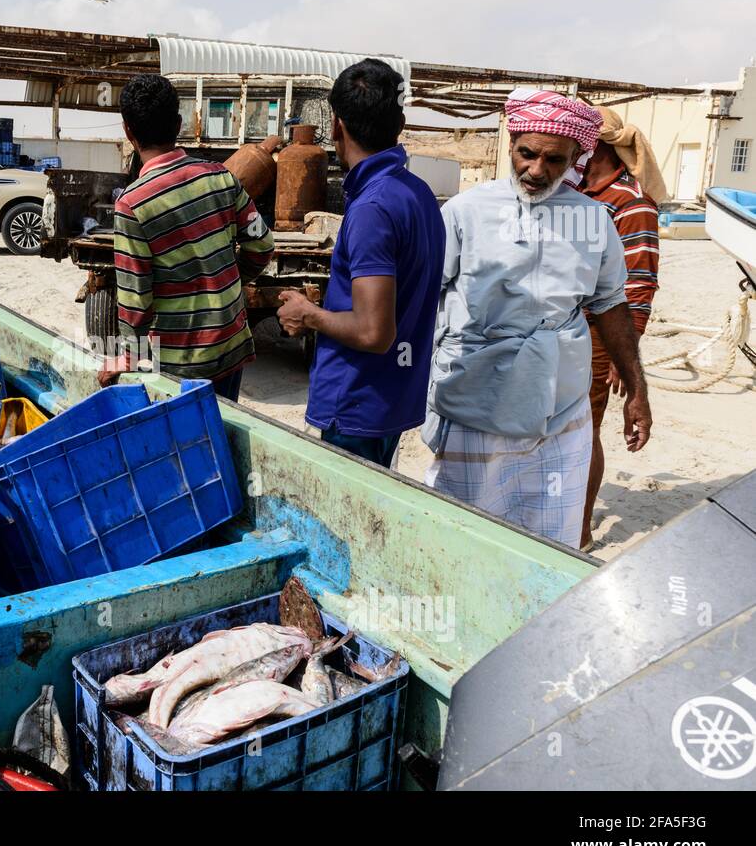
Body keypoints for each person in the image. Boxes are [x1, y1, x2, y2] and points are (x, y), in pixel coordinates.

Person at [423, 88, 652, 548]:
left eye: (554, 161)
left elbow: (611, 303)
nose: (537, 170)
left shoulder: (593, 219)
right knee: (460, 535)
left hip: (559, 405)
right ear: (511, 145)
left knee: (549, 537)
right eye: (527, 154)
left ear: (575, 158)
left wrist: (637, 389)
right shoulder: (466, 211)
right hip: (475, 395)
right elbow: (425, 294)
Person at [276, 59, 445, 467]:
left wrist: (308, 314)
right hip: (389, 400)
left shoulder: (373, 207)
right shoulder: (417, 193)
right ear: (399, 123)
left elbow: (374, 332)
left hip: (355, 404)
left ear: (336, 126)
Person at [98, 74, 275, 401]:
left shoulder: (132, 205)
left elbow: (136, 300)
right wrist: (228, 283)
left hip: (182, 364)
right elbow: (262, 245)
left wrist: (128, 355)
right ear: (179, 123)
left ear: (127, 130)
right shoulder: (222, 178)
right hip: (232, 346)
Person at [574, 106, 664, 548]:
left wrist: (621, 359)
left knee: (583, 429)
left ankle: (580, 529)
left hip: (597, 334)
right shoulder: (577, 191)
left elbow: (641, 281)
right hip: (563, 327)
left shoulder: (631, 203)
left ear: (597, 145)